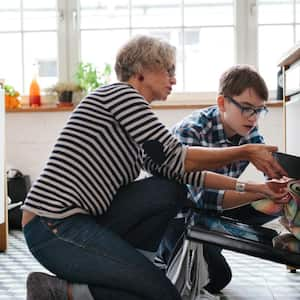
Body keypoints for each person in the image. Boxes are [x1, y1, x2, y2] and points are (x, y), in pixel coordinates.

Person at [22, 36, 287, 300]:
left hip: (84, 222)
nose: (173, 79)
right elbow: (179, 157)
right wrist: (245, 151)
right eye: (168, 70)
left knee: (168, 189)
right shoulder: (121, 95)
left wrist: (257, 187)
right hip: (53, 225)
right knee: (163, 293)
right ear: (140, 72)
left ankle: (75, 287)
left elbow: (183, 172)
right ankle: (76, 287)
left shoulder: (137, 123)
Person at [156, 64, 284, 295]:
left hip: (210, 213)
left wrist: (285, 186)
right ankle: (161, 253)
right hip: (178, 216)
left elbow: (272, 173)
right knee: (217, 279)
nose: (253, 118)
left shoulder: (249, 131)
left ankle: (211, 244)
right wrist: (264, 190)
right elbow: (203, 197)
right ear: (223, 103)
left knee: (276, 205)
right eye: (246, 108)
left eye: (259, 110)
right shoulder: (191, 131)